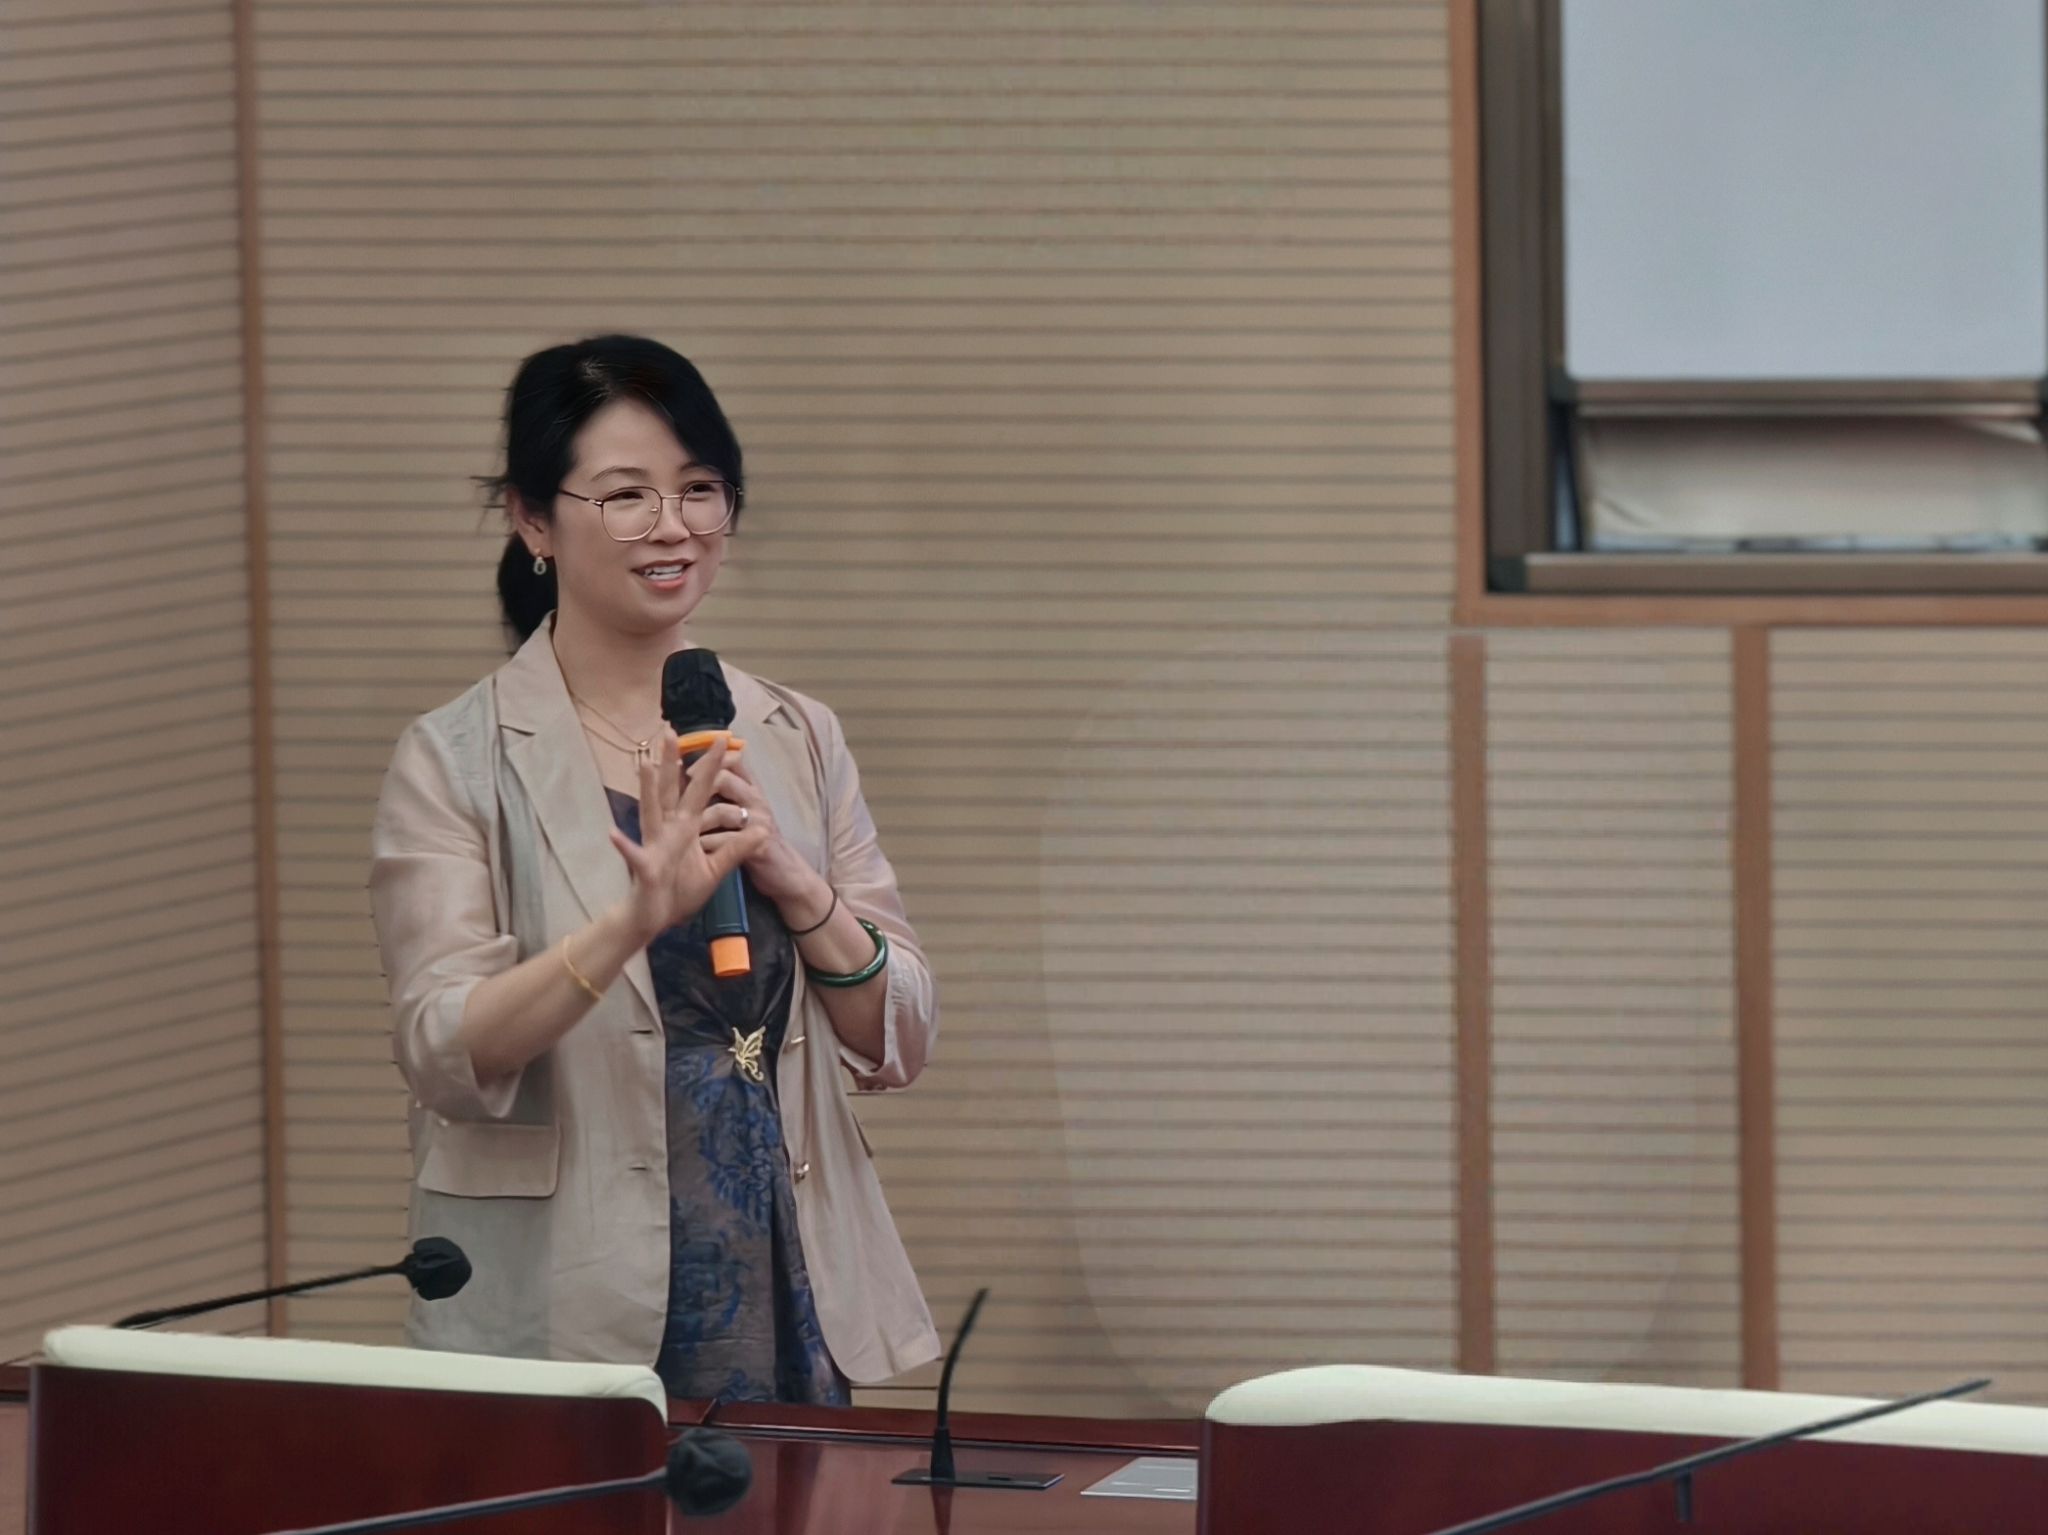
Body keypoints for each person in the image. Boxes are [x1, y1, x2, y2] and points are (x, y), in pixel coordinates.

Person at [368, 334, 940, 1402]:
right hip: (564, 1299)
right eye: (627, 495)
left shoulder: (794, 731)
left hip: (784, 1268)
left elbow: (899, 1033)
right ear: (533, 520)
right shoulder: (454, 758)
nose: (673, 526)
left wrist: (797, 884)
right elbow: (441, 1050)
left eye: (699, 489)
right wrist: (629, 923)